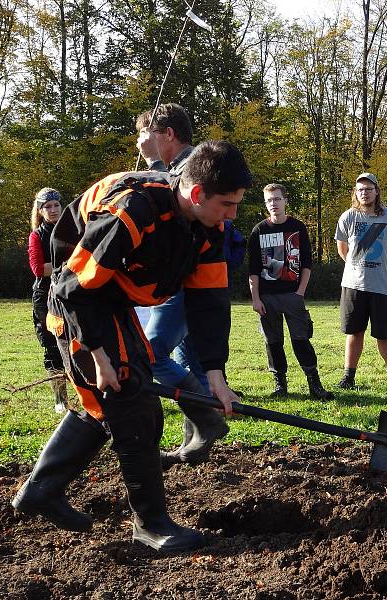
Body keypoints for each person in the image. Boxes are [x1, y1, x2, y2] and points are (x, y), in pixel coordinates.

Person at [12, 141, 253, 553]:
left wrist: (215, 376)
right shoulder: (132, 210)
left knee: (114, 403)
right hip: (79, 299)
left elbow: (209, 303)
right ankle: (152, 525)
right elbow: (74, 287)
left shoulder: (209, 228)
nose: (232, 215)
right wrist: (99, 356)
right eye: (227, 204)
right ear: (197, 194)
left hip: (113, 299)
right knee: (133, 403)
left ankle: (41, 490)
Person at [135, 104, 228, 469]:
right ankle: (196, 442)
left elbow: (173, 208)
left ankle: (205, 423)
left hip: (187, 283)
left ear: (167, 134)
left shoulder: (192, 169)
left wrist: (152, 164)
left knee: (150, 353)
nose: (141, 141)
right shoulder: (176, 168)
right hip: (186, 281)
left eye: (147, 133)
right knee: (189, 360)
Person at [248, 183, 333, 400]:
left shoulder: (298, 227)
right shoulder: (259, 230)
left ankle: (314, 384)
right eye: (269, 200)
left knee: (301, 340)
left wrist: (300, 293)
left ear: (285, 201)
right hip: (267, 297)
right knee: (273, 342)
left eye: (277, 199)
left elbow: (307, 263)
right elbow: (254, 269)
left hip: (293, 296)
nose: (273, 204)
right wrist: (256, 298)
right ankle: (280, 385)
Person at [334, 173, 387, 390]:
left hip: (383, 286)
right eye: (360, 189)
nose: (364, 193)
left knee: (385, 335)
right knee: (354, 333)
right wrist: (357, 267)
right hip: (354, 285)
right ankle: (348, 377)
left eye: (368, 189)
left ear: (377, 191)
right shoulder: (348, 217)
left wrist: (380, 268)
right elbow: (343, 250)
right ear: (356, 193)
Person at [28, 187, 69, 414]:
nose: (53, 210)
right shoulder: (37, 235)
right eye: (48, 207)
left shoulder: (72, 230)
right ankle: (60, 398)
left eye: (56, 205)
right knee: (52, 347)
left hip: (71, 293)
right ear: (41, 211)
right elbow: (37, 268)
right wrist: (67, 265)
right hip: (45, 296)